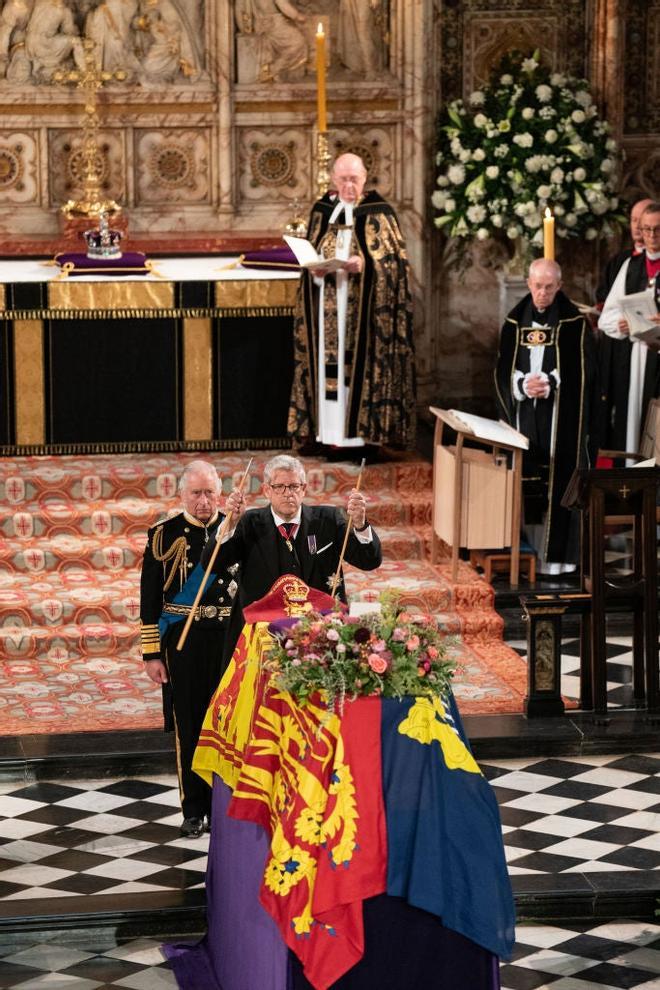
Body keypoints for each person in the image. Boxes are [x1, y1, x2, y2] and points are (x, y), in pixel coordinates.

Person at [288, 152, 416, 452]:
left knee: (354, 372)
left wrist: (367, 266)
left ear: (365, 178)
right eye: (343, 179)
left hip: (364, 317)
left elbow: (396, 264)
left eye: (354, 179)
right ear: (333, 179)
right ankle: (326, 436)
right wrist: (315, 269)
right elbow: (310, 250)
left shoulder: (378, 212)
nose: (349, 186)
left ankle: (362, 438)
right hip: (326, 311)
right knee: (327, 372)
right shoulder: (322, 211)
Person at [204, 453, 382, 665]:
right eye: (280, 487)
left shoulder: (328, 520)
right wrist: (229, 525)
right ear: (267, 490)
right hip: (263, 634)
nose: (288, 494)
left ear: (304, 489)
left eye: (294, 486)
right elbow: (211, 564)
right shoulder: (250, 523)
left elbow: (369, 560)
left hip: (321, 633)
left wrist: (361, 524)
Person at [140, 459, 238, 838]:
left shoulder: (235, 530)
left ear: (220, 494)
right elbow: (149, 598)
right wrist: (151, 654)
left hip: (229, 638)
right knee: (191, 724)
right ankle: (194, 809)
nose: (203, 501)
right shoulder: (163, 535)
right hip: (184, 643)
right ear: (182, 494)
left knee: (228, 722)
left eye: (210, 493)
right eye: (196, 493)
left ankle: (224, 806)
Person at [495, 258, 597, 574]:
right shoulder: (514, 321)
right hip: (526, 413)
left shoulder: (573, 322)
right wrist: (522, 384)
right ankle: (526, 555)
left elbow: (585, 372)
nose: (542, 293)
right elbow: (502, 369)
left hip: (558, 415)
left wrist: (552, 382)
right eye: (537, 286)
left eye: (549, 287)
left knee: (558, 477)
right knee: (530, 480)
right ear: (528, 283)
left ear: (559, 287)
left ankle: (558, 562)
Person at [598, 200, 660, 455]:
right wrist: (622, 324)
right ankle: (638, 482)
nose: (651, 236)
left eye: (657, 229)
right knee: (635, 423)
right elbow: (606, 318)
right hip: (637, 359)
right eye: (646, 229)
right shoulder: (630, 266)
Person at [595, 197, 652, 306]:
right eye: (634, 220)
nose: (637, 226)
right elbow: (603, 297)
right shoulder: (620, 260)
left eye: (642, 220)